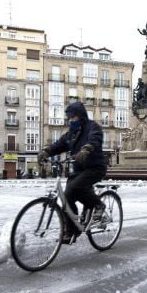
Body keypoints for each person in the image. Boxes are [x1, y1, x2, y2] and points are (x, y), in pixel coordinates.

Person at [38, 101, 106, 242]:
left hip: (94, 167)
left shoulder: (92, 127)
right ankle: (71, 230)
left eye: (73, 118)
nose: (70, 121)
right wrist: (46, 151)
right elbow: (59, 145)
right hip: (78, 169)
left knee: (75, 188)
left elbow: (95, 139)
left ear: (81, 116)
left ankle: (98, 205)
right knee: (67, 197)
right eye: (68, 119)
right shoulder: (71, 134)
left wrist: (87, 149)